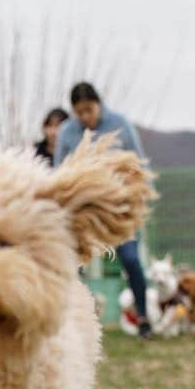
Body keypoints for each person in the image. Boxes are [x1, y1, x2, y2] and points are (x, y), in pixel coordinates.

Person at [55, 82, 152, 339]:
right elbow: (59, 172)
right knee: (72, 265)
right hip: (82, 212)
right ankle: (75, 321)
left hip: (118, 209)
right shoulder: (67, 132)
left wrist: (142, 197)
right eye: (80, 112)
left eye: (89, 109)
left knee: (131, 260)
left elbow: (139, 163)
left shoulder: (120, 124)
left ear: (99, 104)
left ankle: (143, 318)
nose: (86, 116)